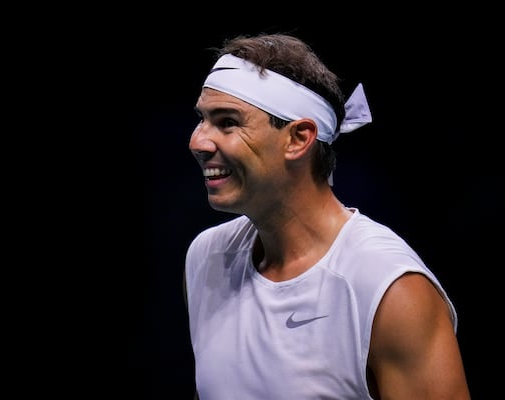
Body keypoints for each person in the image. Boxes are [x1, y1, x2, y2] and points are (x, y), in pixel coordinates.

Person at [183, 33, 471, 400]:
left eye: (227, 122)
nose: (198, 141)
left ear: (299, 138)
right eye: (202, 119)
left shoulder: (392, 289)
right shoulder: (206, 258)